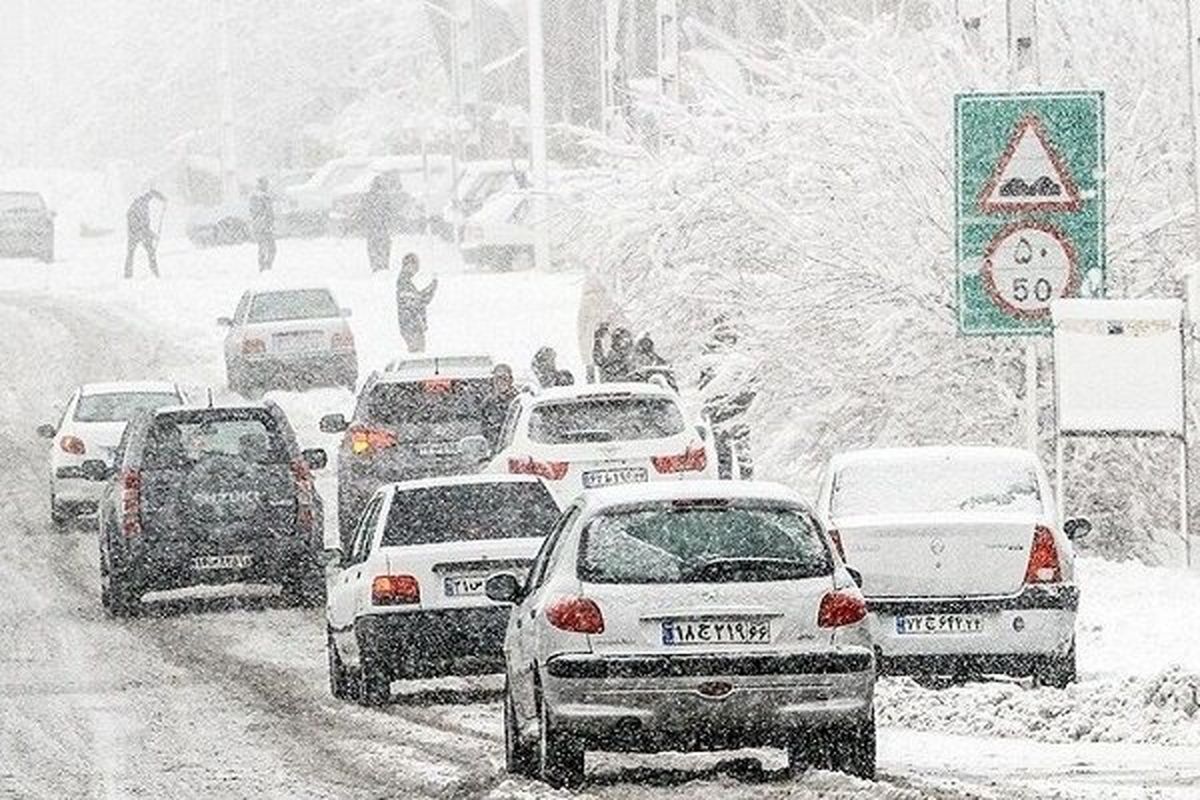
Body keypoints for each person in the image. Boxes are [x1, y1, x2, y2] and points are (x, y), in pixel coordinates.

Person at [395, 253, 437, 352]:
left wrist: (431, 288)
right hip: (411, 326)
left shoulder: (406, 283)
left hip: (413, 325)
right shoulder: (403, 283)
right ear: (408, 265)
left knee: (417, 352)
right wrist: (432, 288)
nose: (417, 269)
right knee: (417, 353)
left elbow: (419, 300)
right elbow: (418, 302)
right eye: (416, 265)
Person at [124, 189, 165, 278]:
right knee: (148, 252)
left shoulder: (139, 204)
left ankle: (128, 274)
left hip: (137, 233)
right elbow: (142, 226)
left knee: (133, 253)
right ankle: (154, 271)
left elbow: (151, 194)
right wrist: (152, 235)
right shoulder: (139, 207)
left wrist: (162, 198)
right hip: (136, 234)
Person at [361, 175, 394, 272]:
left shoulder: (368, 197)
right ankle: (383, 264)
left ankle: (376, 265)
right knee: (383, 246)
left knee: (374, 247)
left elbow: (364, 212)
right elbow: (390, 212)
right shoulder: (385, 197)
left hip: (373, 228)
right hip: (382, 228)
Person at [481, 363, 517, 452]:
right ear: (493, 381)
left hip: (516, 448)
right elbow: (484, 430)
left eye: (504, 378)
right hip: (495, 450)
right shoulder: (487, 404)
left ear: (511, 380)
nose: (501, 382)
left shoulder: (519, 401)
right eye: (497, 378)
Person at [248, 177, 276, 272]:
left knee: (269, 248)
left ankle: (266, 266)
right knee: (265, 247)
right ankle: (264, 267)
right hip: (262, 226)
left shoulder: (264, 196)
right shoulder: (257, 197)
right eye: (264, 183)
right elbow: (257, 212)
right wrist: (264, 221)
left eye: (267, 183)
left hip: (266, 225)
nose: (266, 186)